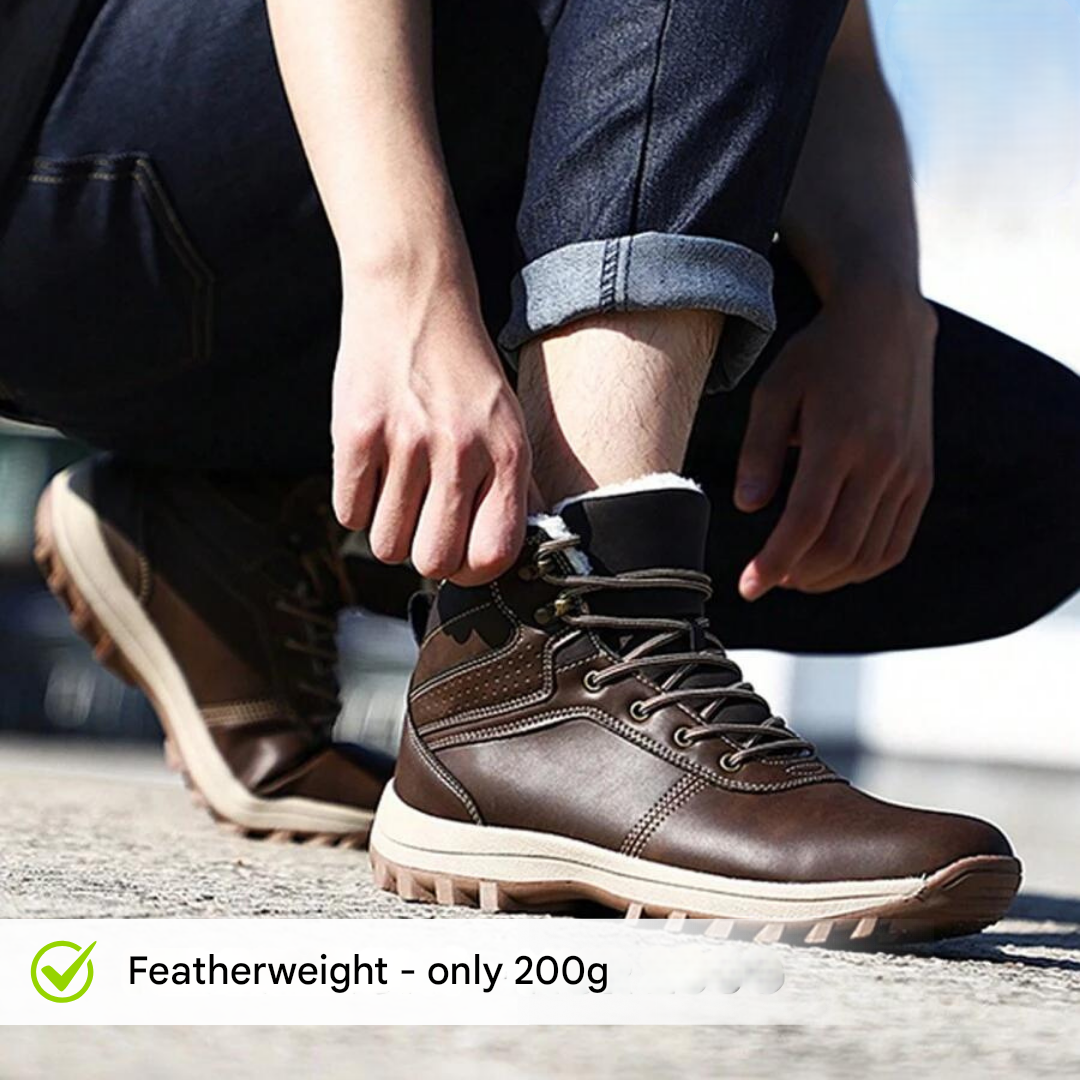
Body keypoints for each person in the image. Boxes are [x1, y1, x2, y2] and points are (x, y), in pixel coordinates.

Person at [2, 0, 1077, 942]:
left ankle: (244, 528)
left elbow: (830, 49)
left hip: (283, 259)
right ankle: (562, 630)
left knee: (1029, 478)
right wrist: (406, 282)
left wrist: (882, 300)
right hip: (71, 163)